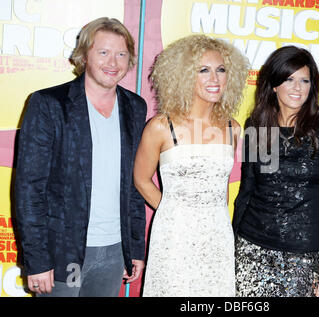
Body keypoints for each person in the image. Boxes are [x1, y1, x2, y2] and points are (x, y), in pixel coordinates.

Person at [14, 17, 147, 297]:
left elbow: (134, 185)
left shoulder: (135, 107)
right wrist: (37, 259)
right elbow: (29, 188)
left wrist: (134, 247)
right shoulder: (49, 104)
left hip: (112, 252)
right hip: (63, 252)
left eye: (121, 54)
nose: (113, 62)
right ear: (84, 55)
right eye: (103, 52)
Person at [134, 34, 249, 296]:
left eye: (221, 70)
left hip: (217, 236)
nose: (215, 79)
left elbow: (223, 188)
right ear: (185, 76)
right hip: (174, 235)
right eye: (204, 70)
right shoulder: (161, 126)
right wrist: (173, 211)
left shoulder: (233, 128)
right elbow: (140, 179)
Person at [232, 46, 319, 297]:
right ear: (274, 85)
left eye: (305, 80)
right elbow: (247, 190)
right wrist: (231, 243)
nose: (298, 88)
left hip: (302, 255)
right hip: (251, 246)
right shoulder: (258, 126)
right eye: (289, 79)